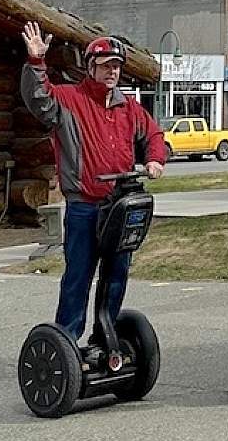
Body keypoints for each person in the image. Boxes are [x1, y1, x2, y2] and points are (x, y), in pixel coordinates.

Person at [19, 23, 167, 369]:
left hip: (120, 205)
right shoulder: (70, 100)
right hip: (85, 206)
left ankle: (105, 341)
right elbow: (39, 101)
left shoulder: (129, 108)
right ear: (91, 67)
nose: (112, 71)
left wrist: (155, 159)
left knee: (117, 275)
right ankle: (67, 346)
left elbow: (154, 135)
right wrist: (36, 63)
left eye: (116, 66)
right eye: (105, 65)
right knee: (78, 277)